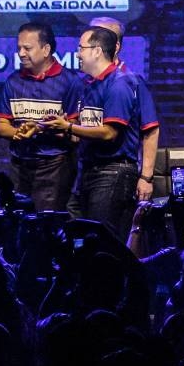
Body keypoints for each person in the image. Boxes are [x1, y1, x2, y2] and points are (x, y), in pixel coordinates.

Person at [41, 26, 142, 238]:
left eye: (81, 48)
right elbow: (81, 132)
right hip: (87, 170)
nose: (77, 53)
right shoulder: (86, 84)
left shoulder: (119, 84)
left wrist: (67, 127)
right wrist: (47, 128)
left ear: (97, 51)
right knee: (77, 234)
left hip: (112, 172)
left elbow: (109, 133)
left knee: (101, 240)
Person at [0, 22, 84, 211]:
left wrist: (42, 129)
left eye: (27, 48)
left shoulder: (70, 82)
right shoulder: (13, 81)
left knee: (47, 225)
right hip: (19, 165)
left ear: (46, 49)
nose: (21, 53)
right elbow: (1, 125)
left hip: (55, 166)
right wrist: (18, 132)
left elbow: (77, 131)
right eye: (19, 48)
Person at [89, 16, 160, 201]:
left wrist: (146, 177)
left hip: (116, 172)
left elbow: (150, 130)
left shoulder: (131, 81)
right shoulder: (84, 82)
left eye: (98, 37)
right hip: (85, 171)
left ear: (116, 46)